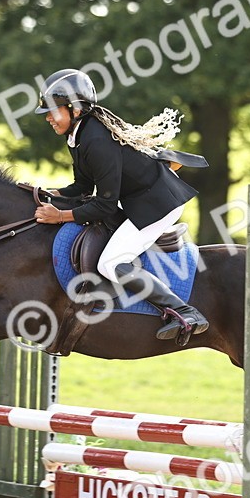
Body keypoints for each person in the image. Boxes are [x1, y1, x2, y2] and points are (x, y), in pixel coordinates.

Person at [31, 68, 209, 342]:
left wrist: (61, 216)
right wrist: (48, 193)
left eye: (53, 111)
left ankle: (184, 311)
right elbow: (82, 188)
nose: (47, 118)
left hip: (158, 203)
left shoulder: (97, 140)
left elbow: (104, 204)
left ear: (75, 109)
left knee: (112, 263)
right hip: (141, 199)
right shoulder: (78, 135)